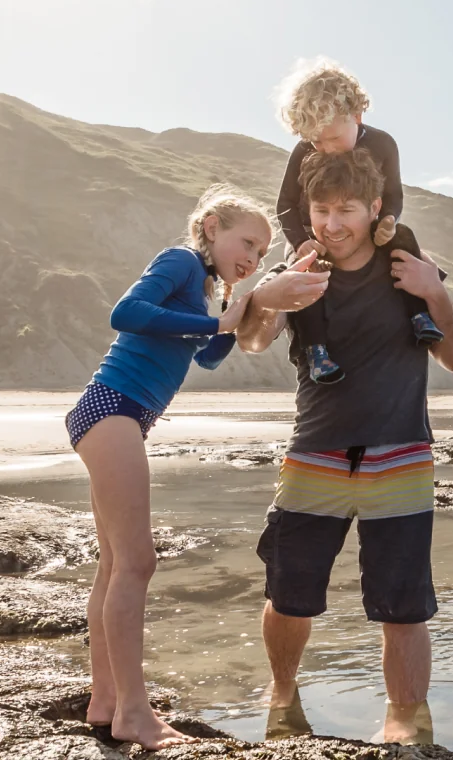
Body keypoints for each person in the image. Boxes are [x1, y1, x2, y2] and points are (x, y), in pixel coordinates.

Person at [234, 146, 453, 745]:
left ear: (374, 209)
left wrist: (434, 292)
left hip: (402, 453)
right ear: (307, 211)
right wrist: (269, 296)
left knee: (403, 605)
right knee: (289, 594)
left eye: (346, 210)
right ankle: (283, 694)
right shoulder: (302, 265)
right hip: (316, 450)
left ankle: (404, 718)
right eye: (320, 209)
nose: (332, 224)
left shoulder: (407, 265)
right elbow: (255, 342)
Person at [65, 185, 312, 750]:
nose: (250, 257)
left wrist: (250, 305)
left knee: (112, 567)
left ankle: (105, 702)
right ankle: (134, 713)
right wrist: (219, 323)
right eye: (246, 241)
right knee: (137, 564)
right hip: (112, 409)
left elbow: (208, 353)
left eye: (259, 250)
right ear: (210, 229)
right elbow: (124, 312)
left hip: (119, 416)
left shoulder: (205, 290)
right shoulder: (178, 262)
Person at [270, 57, 442, 385]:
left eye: (333, 138)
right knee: (307, 270)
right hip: (314, 233)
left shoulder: (383, 143)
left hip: (371, 228)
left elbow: (393, 195)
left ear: (357, 115)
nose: (325, 148)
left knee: (405, 238)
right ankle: (316, 350)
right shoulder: (304, 149)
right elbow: (285, 205)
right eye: (316, 141)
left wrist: (389, 221)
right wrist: (300, 242)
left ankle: (418, 314)